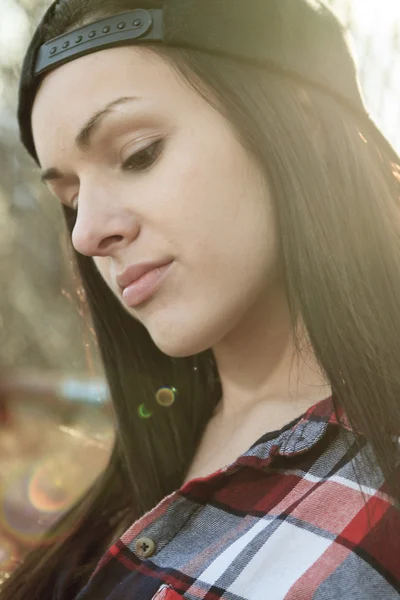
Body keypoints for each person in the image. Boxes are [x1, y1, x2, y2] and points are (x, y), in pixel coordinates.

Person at [3, 0, 400, 598]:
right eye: (71, 198)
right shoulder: (146, 458)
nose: (86, 234)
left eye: (138, 154)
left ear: (303, 124)